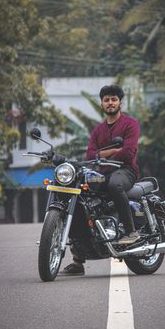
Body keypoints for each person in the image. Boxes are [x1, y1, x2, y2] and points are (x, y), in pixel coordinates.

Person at [63, 84, 140, 275]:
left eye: (114, 99)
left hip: (126, 171)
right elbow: (90, 154)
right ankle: (78, 260)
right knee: (79, 196)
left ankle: (131, 231)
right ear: (102, 104)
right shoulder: (98, 130)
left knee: (115, 184)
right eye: (107, 100)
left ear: (120, 102)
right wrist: (113, 151)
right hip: (102, 174)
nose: (110, 103)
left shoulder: (130, 124)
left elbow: (128, 152)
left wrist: (104, 154)